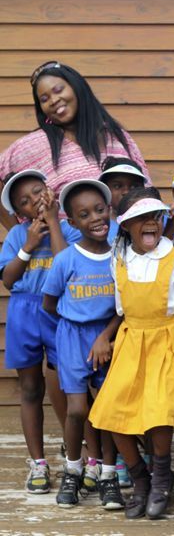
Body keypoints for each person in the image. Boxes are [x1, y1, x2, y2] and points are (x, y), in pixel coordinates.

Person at [89, 187, 174, 520]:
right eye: (140, 219)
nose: (149, 223)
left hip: (167, 338)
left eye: (155, 217)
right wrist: (106, 336)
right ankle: (140, 477)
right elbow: (123, 308)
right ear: (125, 226)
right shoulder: (118, 258)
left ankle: (162, 478)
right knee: (111, 411)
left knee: (159, 411)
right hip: (131, 338)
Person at [41, 179, 123, 510]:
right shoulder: (66, 259)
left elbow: (125, 306)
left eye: (100, 210)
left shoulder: (120, 256)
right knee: (78, 409)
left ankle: (108, 476)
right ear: (72, 223)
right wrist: (75, 323)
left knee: (106, 411)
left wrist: (105, 335)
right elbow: (49, 303)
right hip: (73, 335)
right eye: (84, 214)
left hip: (109, 336)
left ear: (110, 211)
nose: (95, 219)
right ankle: (73, 470)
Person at [0, 169, 79, 494]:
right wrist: (29, 245)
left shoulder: (71, 229)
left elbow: (64, 265)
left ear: (50, 192)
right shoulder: (18, 234)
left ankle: (74, 450)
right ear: (20, 213)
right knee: (30, 388)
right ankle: (38, 462)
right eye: (25, 201)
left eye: (37, 192)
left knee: (68, 382)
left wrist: (54, 224)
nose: (35, 201)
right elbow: (7, 279)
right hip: (25, 311)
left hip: (60, 310)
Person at [1, 61, 150, 230]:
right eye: (44, 99)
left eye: (58, 90)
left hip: (125, 249)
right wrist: (18, 233)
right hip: (65, 251)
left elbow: (146, 194)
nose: (53, 100)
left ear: (77, 88)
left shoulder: (117, 137)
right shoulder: (33, 145)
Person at [98, 156, 148, 243]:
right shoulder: (96, 226)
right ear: (105, 190)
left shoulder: (157, 220)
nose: (126, 192)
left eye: (134, 186)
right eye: (117, 186)